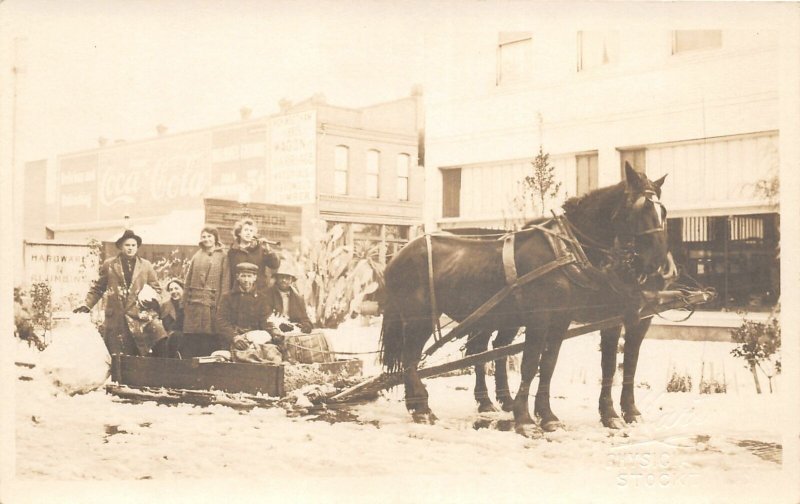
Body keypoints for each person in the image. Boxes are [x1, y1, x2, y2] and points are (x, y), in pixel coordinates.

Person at [74, 229, 168, 357]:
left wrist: (150, 298)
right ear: (120, 246)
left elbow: (157, 289)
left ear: (137, 247)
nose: (130, 248)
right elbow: (98, 288)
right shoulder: (110, 265)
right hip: (117, 319)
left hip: (139, 317)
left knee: (144, 351)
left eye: (133, 245)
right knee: (118, 358)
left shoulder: (146, 266)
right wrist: (87, 305)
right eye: (127, 245)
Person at [216, 262, 285, 362]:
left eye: (249, 276)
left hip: (256, 340)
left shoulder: (262, 299)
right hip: (233, 341)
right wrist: (235, 337)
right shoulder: (227, 298)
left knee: (272, 356)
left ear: (255, 278)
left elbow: (266, 320)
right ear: (237, 277)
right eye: (243, 276)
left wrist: (274, 332)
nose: (246, 280)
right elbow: (221, 321)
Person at [181, 226, 227, 358]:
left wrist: (221, 304)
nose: (206, 239)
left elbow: (225, 281)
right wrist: (184, 302)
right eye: (204, 236)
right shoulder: (197, 255)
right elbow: (188, 280)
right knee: (194, 338)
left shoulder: (223, 256)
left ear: (215, 238)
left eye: (209, 236)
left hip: (212, 305)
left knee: (210, 337)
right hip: (195, 306)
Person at [223, 218, 281, 296]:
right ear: (239, 233)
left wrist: (268, 250)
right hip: (238, 293)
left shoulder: (261, 249)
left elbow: (275, 265)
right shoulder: (232, 251)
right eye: (246, 230)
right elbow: (230, 275)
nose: (248, 233)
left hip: (259, 292)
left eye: (251, 231)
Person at [265, 261, 313, 334]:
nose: (284, 280)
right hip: (273, 329)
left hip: (293, 330)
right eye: (281, 277)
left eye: (287, 278)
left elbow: (305, 319)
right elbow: (265, 317)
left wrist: (306, 326)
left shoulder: (298, 298)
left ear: (292, 280)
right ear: (276, 278)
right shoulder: (267, 295)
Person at [156, 278, 184, 358]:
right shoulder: (164, 306)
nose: (174, 292)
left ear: (183, 289)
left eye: (176, 288)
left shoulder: (188, 305)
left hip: (186, 338)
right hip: (169, 340)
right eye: (171, 289)